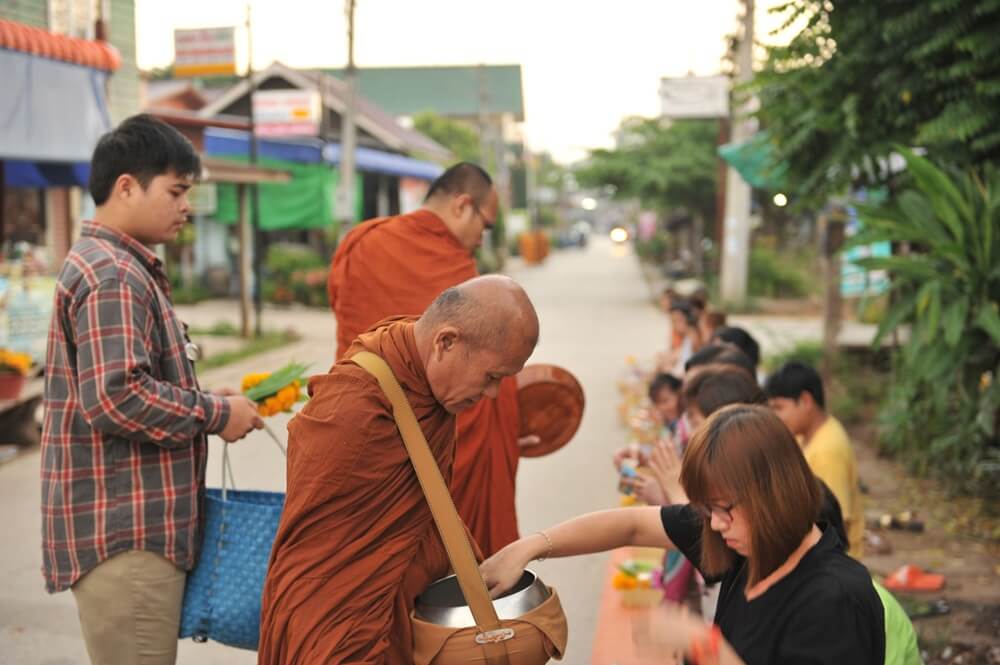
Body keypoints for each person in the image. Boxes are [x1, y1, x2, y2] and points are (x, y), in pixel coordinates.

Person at [41, 114, 263, 665]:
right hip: (128, 536)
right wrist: (215, 413)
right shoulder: (112, 273)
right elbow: (116, 396)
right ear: (126, 187)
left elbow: (126, 382)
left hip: (134, 531)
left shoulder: (118, 266)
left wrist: (204, 392)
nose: (186, 205)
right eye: (176, 190)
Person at [259, 276, 540, 665]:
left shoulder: (421, 381)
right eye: (491, 377)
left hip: (405, 612)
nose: (491, 394)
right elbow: (318, 558)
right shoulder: (353, 408)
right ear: (446, 342)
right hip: (337, 624)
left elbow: (419, 515)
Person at [482, 404, 889, 665]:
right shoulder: (747, 540)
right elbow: (632, 524)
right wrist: (532, 546)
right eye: (708, 509)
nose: (713, 524)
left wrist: (704, 646)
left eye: (724, 509)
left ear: (773, 494)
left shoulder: (834, 602)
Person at [327, 162, 530, 556]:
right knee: (451, 561)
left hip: (368, 431)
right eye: (484, 226)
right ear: (461, 205)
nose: (480, 239)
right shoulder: (454, 267)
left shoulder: (362, 243)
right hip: (437, 438)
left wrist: (509, 417)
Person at [765, 361, 865, 558]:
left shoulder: (827, 451)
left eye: (779, 408)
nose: (774, 416)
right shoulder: (805, 435)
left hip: (831, 561)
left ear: (805, 401)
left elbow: (836, 525)